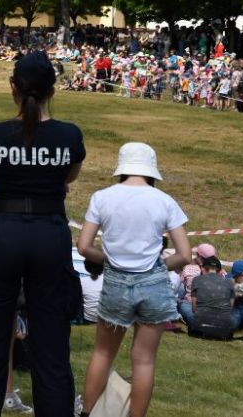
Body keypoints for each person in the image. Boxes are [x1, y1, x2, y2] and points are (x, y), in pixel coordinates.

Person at [0, 50, 86, 416]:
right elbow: (68, 177)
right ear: (53, 90)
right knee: (51, 348)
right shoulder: (69, 135)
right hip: (49, 233)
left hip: (2, 232)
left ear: (12, 88)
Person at [76, 142, 191, 417]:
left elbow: (83, 247)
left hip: (116, 281)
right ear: (151, 170)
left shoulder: (102, 197)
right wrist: (160, 266)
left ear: (121, 168)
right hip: (153, 283)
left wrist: (110, 259)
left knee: (103, 353)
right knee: (144, 360)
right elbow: (185, 255)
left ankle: (88, 412)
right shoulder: (164, 201)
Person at [177, 256, 236, 339]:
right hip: (224, 327)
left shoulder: (197, 280)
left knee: (183, 304)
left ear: (202, 268)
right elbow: (230, 308)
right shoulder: (229, 283)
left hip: (200, 324)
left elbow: (194, 309)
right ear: (220, 271)